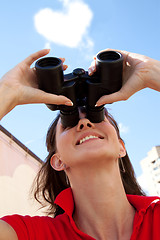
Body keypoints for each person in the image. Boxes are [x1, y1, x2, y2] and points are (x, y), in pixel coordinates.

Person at [0, 48, 160, 240]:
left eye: (98, 116)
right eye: (69, 123)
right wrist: (7, 92)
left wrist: (151, 73)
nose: (84, 123)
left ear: (121, 147)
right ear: (58, 161)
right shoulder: (33, 233)